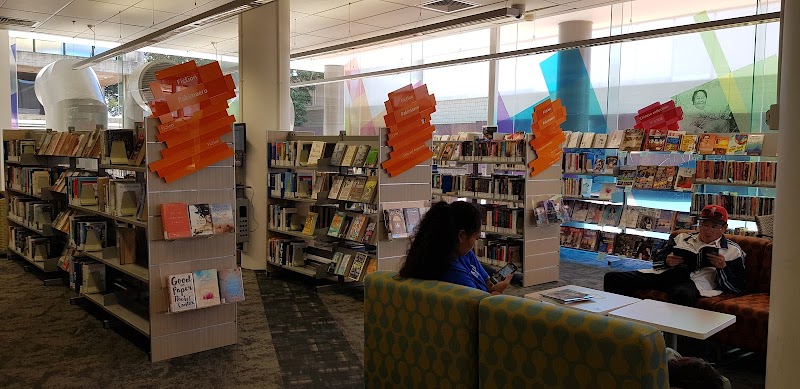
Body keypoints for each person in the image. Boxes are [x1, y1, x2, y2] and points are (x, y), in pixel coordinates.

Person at [603, 205, 745, 306]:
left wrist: (723, 268)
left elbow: (738, 286)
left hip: (693, 282)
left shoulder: (733, 250)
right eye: (704, 225)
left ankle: (676, 341)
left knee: (682, 294)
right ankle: (620, 321)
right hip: (666, 275)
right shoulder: (681, 238)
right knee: (613, 278)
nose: (708, 230)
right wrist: (667, 261)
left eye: (714, 226)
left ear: (724, 228)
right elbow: (657, 260)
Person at [398, 201, 512, 295]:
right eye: (475, 238)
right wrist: (497, 291)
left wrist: (492, 285)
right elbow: (482, 308)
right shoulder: (451, 270)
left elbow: (487, 282)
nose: (474, 244)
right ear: (462, 236)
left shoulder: (464, 254)